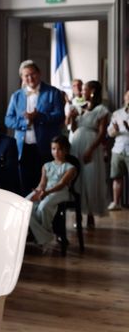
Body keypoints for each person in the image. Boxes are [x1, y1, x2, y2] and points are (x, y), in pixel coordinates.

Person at [5, 60, 65, 196]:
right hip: (23, 147)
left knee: (47, 185)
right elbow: (8, 120)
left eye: (33, 74)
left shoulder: (53, 92)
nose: (30, 78)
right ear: (22, 78)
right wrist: (25, 122)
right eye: (26, 76)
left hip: (45, 147)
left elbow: (60, 116)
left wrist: (39, 117)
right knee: (25, 186)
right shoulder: (16, 95)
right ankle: (28, 216)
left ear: (39, 74)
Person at [69, 80, 110, 227]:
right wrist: (73, 118)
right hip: (76, 144)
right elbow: (74, 129)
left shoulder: (101, 110)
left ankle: (91, 214)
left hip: (91, 146)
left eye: (84, 89)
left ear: (92, 91)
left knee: (91, 179)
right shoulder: (81, 108)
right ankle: (78, 214)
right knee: (77, 179)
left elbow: (102, 133)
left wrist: (91, 149)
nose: (81, 92)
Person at [27, 135, 76, 247]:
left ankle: (41, 237)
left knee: (43, 207)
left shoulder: (70, 167)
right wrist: (39, 191)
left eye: (59, 149)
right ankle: (43, 235)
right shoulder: (46, 165)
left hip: (61, 192)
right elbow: (43, 182)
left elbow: (62, 184)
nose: (56, 152)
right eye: (53, 149)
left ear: (66, 150)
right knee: (26, 204)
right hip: (46, 190)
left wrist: (47, 193)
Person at [107, 89, 129, 211]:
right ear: (124, 99)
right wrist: (115, 130)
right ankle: (116, 203)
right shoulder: (117, 114)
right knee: (116, 177)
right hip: (118, 149)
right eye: (128, 97)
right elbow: (110, 133)